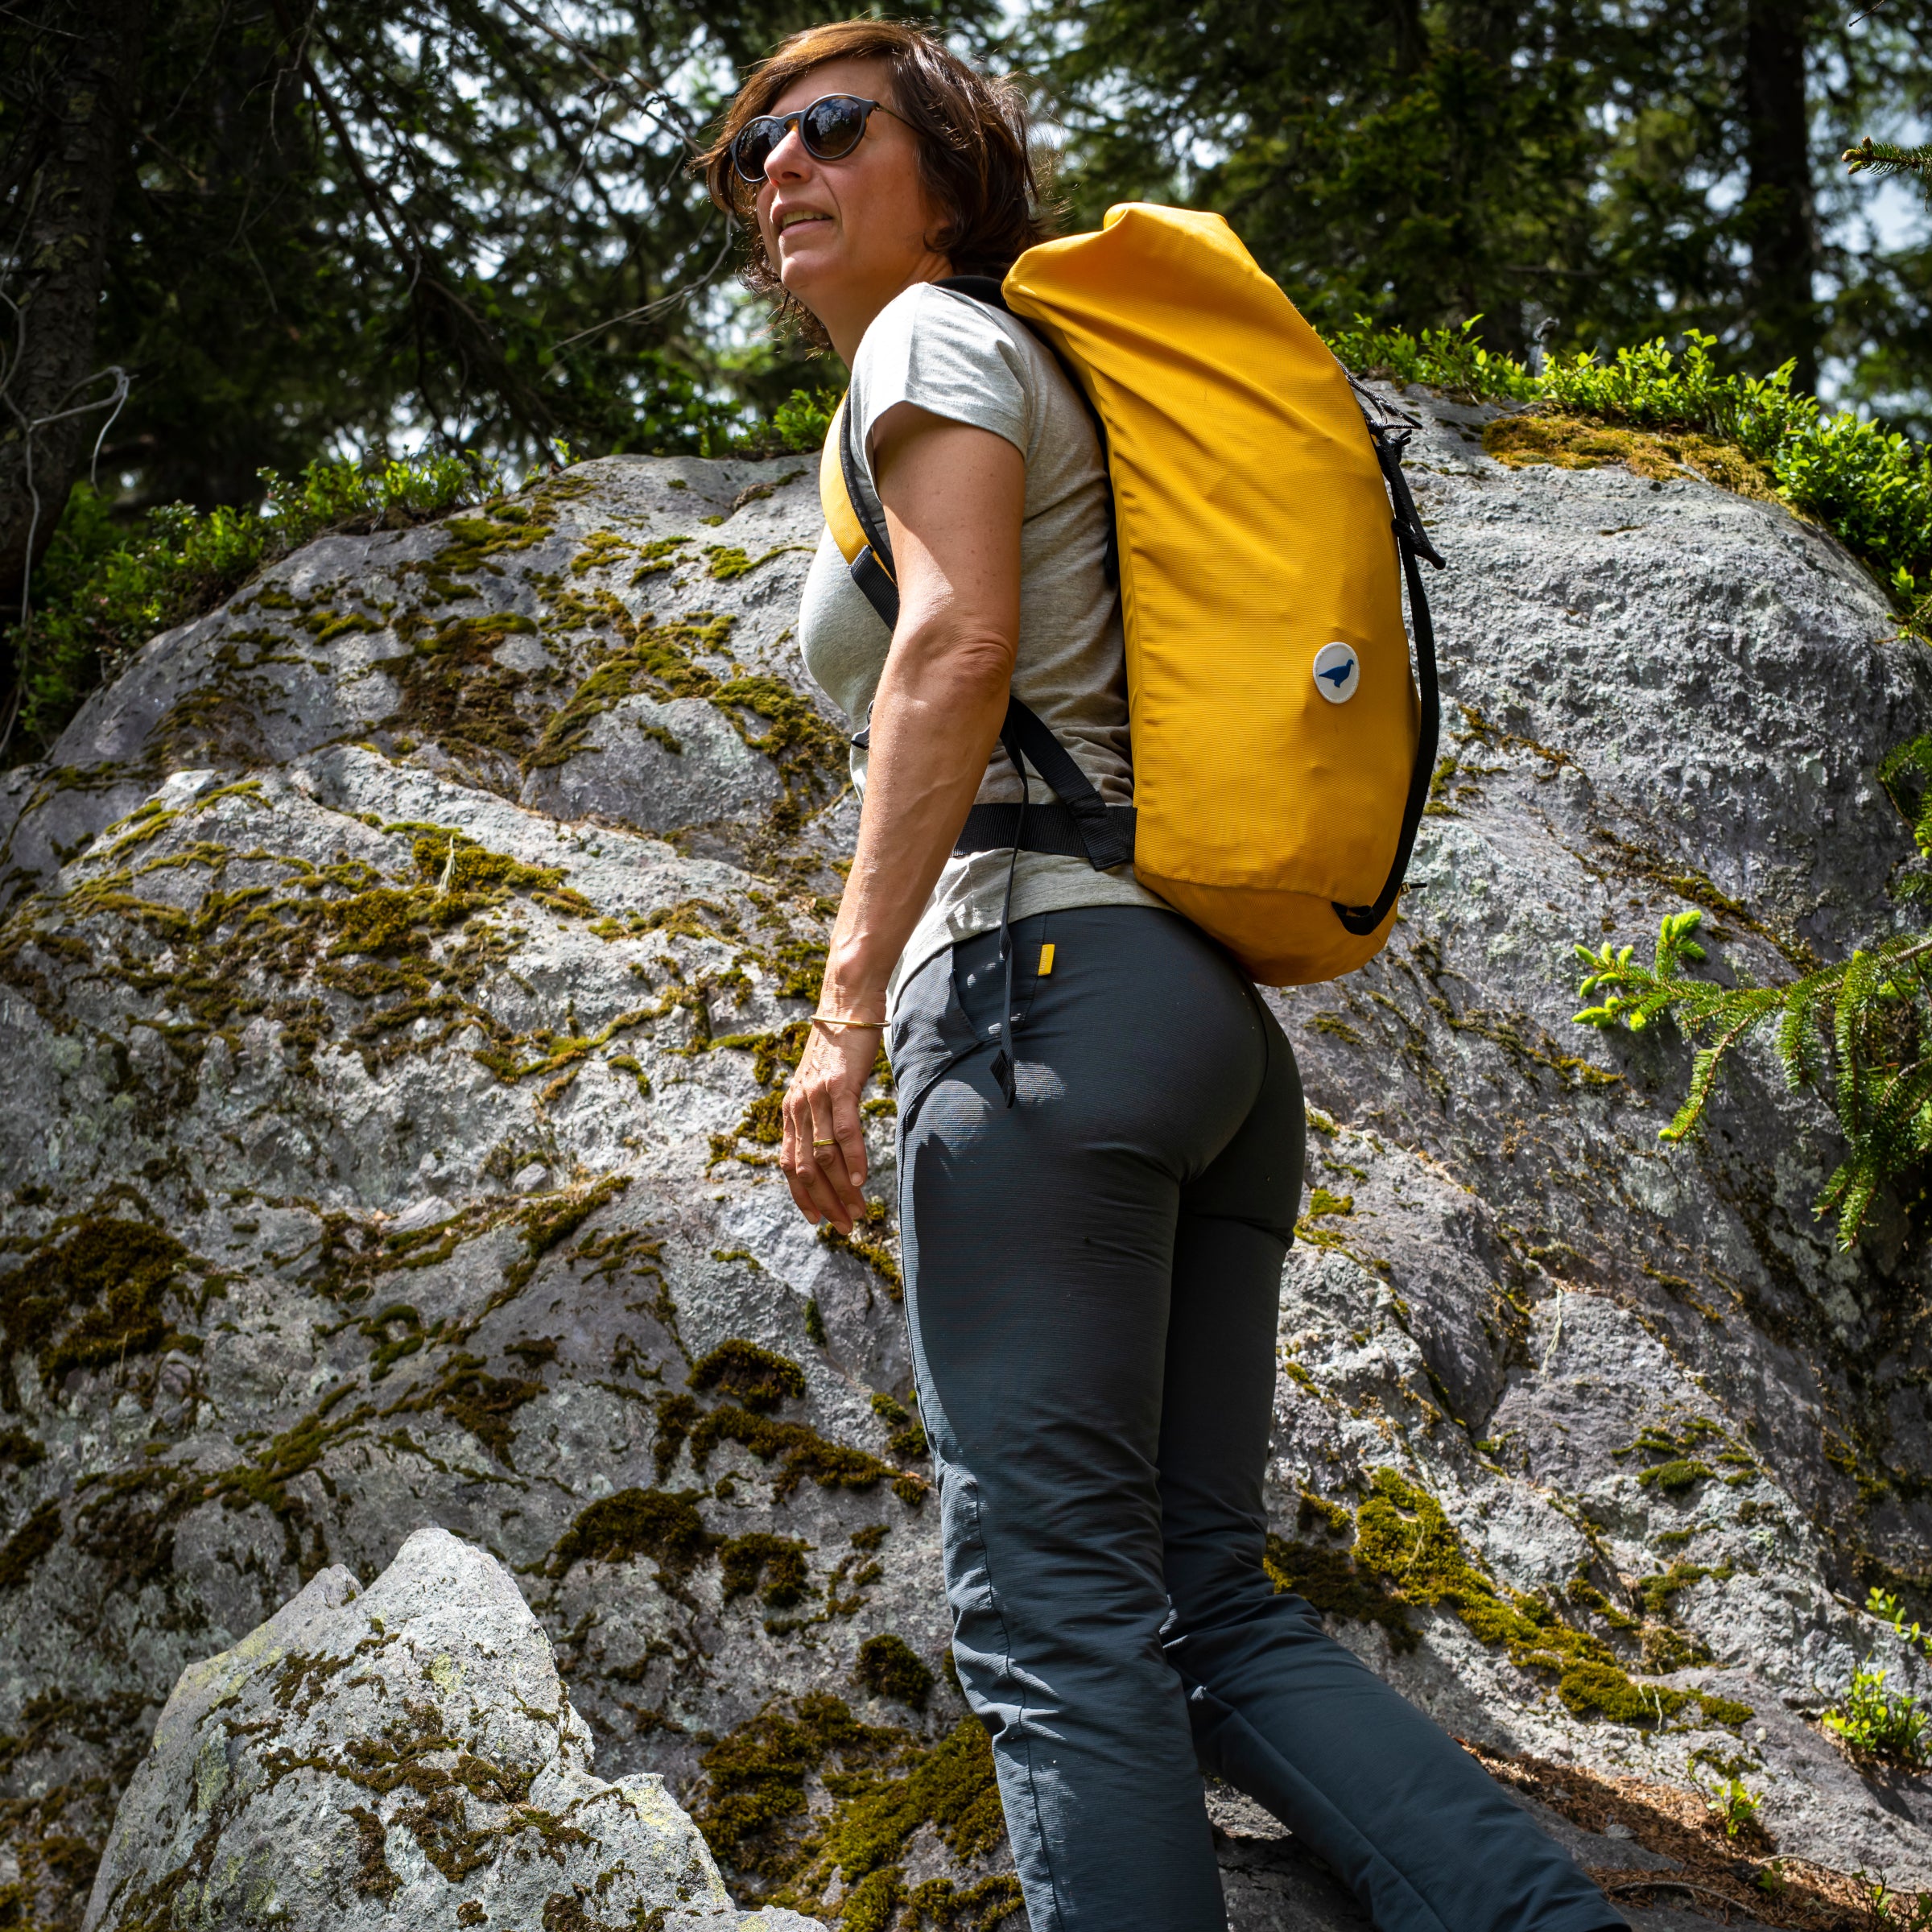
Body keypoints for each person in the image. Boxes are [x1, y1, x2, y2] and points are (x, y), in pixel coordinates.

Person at [699, 25, 1627, 1932]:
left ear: (947, 179)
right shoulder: (1047, 377)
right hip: (1197, 1031)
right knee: (1200, 1601)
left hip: (1041, 1006)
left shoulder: (930, 338)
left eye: (830, 130)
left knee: (1051, 1614)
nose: (779, 169)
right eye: (747, 154)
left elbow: (953, 649)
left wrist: (844, 1009)